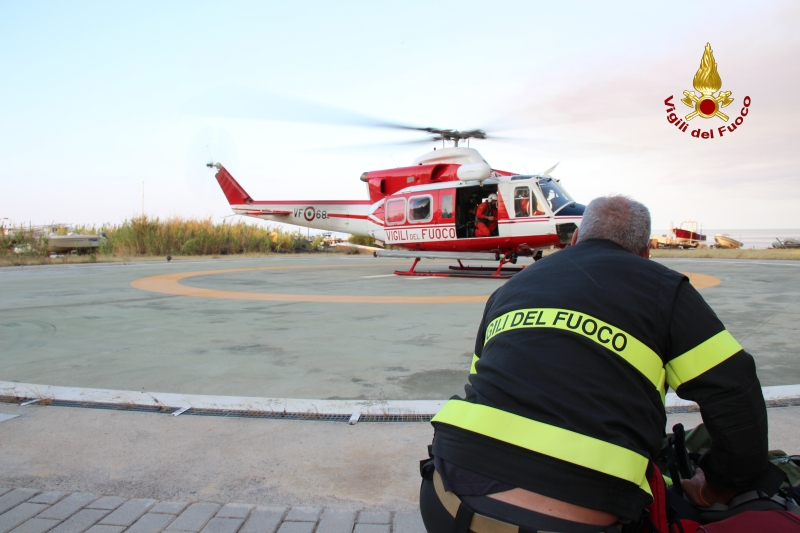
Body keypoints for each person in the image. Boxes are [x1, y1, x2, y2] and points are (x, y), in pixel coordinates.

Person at [420, 195, 772, 532]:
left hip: (443, 499)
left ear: (574, 239)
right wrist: (718, 488)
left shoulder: (512, 287)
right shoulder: (665, 290)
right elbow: (736, 393)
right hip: (569, 522)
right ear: (646, 252)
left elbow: (480, 377)